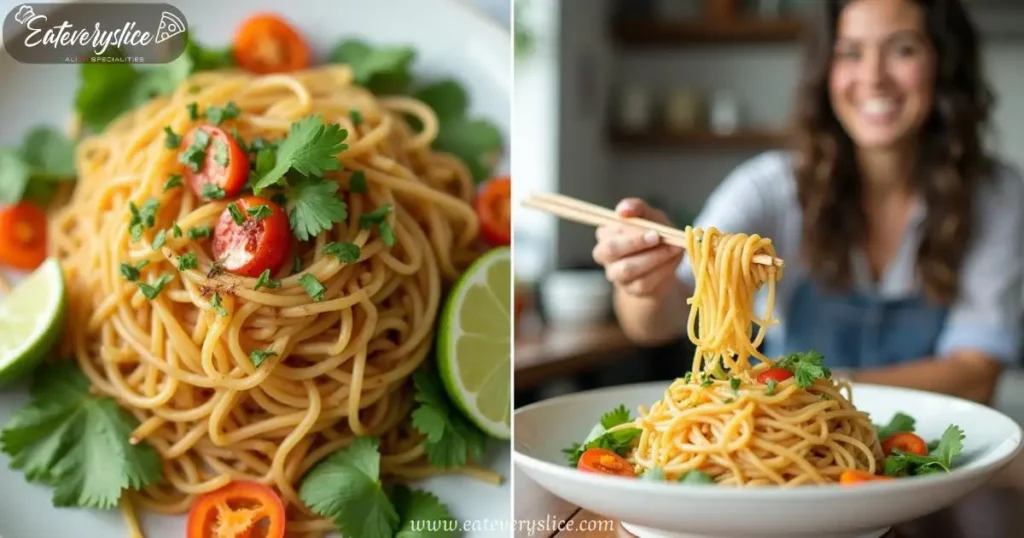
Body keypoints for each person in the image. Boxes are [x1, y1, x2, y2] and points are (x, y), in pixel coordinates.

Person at [591, 0, 1024, 404]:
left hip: (929, 457)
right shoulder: (771, 186)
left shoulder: (994, 196)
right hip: (791, 468)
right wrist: (644, 278)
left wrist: (820, 391)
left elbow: (975, 372)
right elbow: (659, 320)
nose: (873, 76)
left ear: (944, 65)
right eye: (850, 52)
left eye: (903, 50)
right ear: (826, 70)